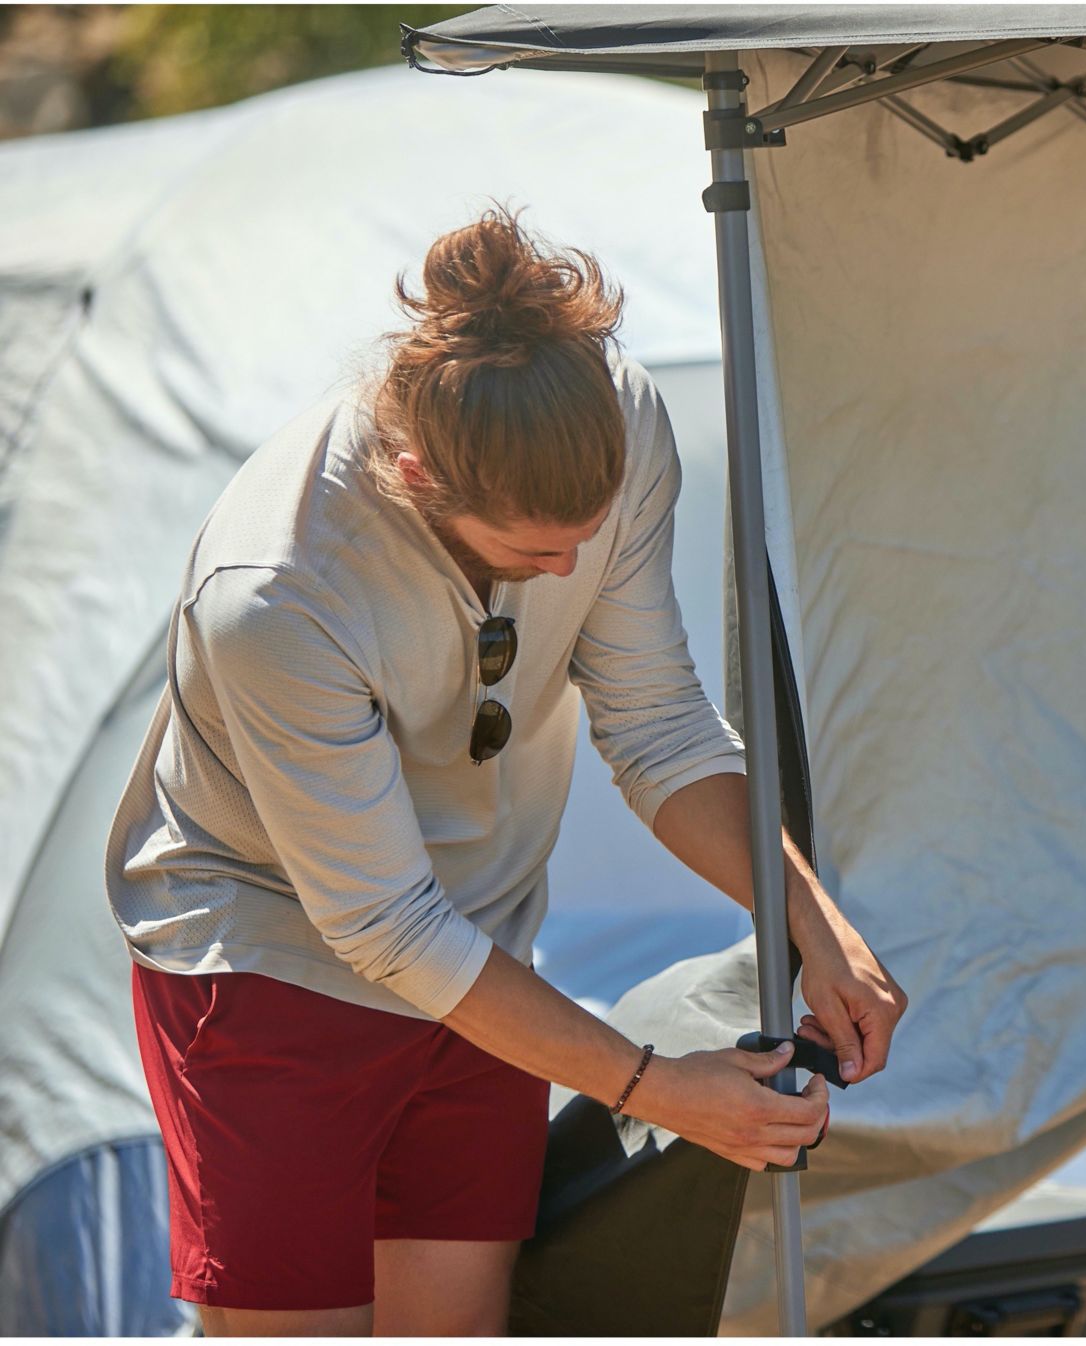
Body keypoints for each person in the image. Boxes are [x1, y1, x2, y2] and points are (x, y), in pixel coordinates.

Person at [106, 208, 907, 1336]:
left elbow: (660, 724)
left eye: (588, 532)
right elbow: (384, 923)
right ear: (415, 472)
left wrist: (813, 923)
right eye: (537, 549)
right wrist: (653, 1085)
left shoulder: (618, 421)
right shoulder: (276, 592)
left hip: (483, 954)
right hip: (267, 965)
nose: (571, 567)